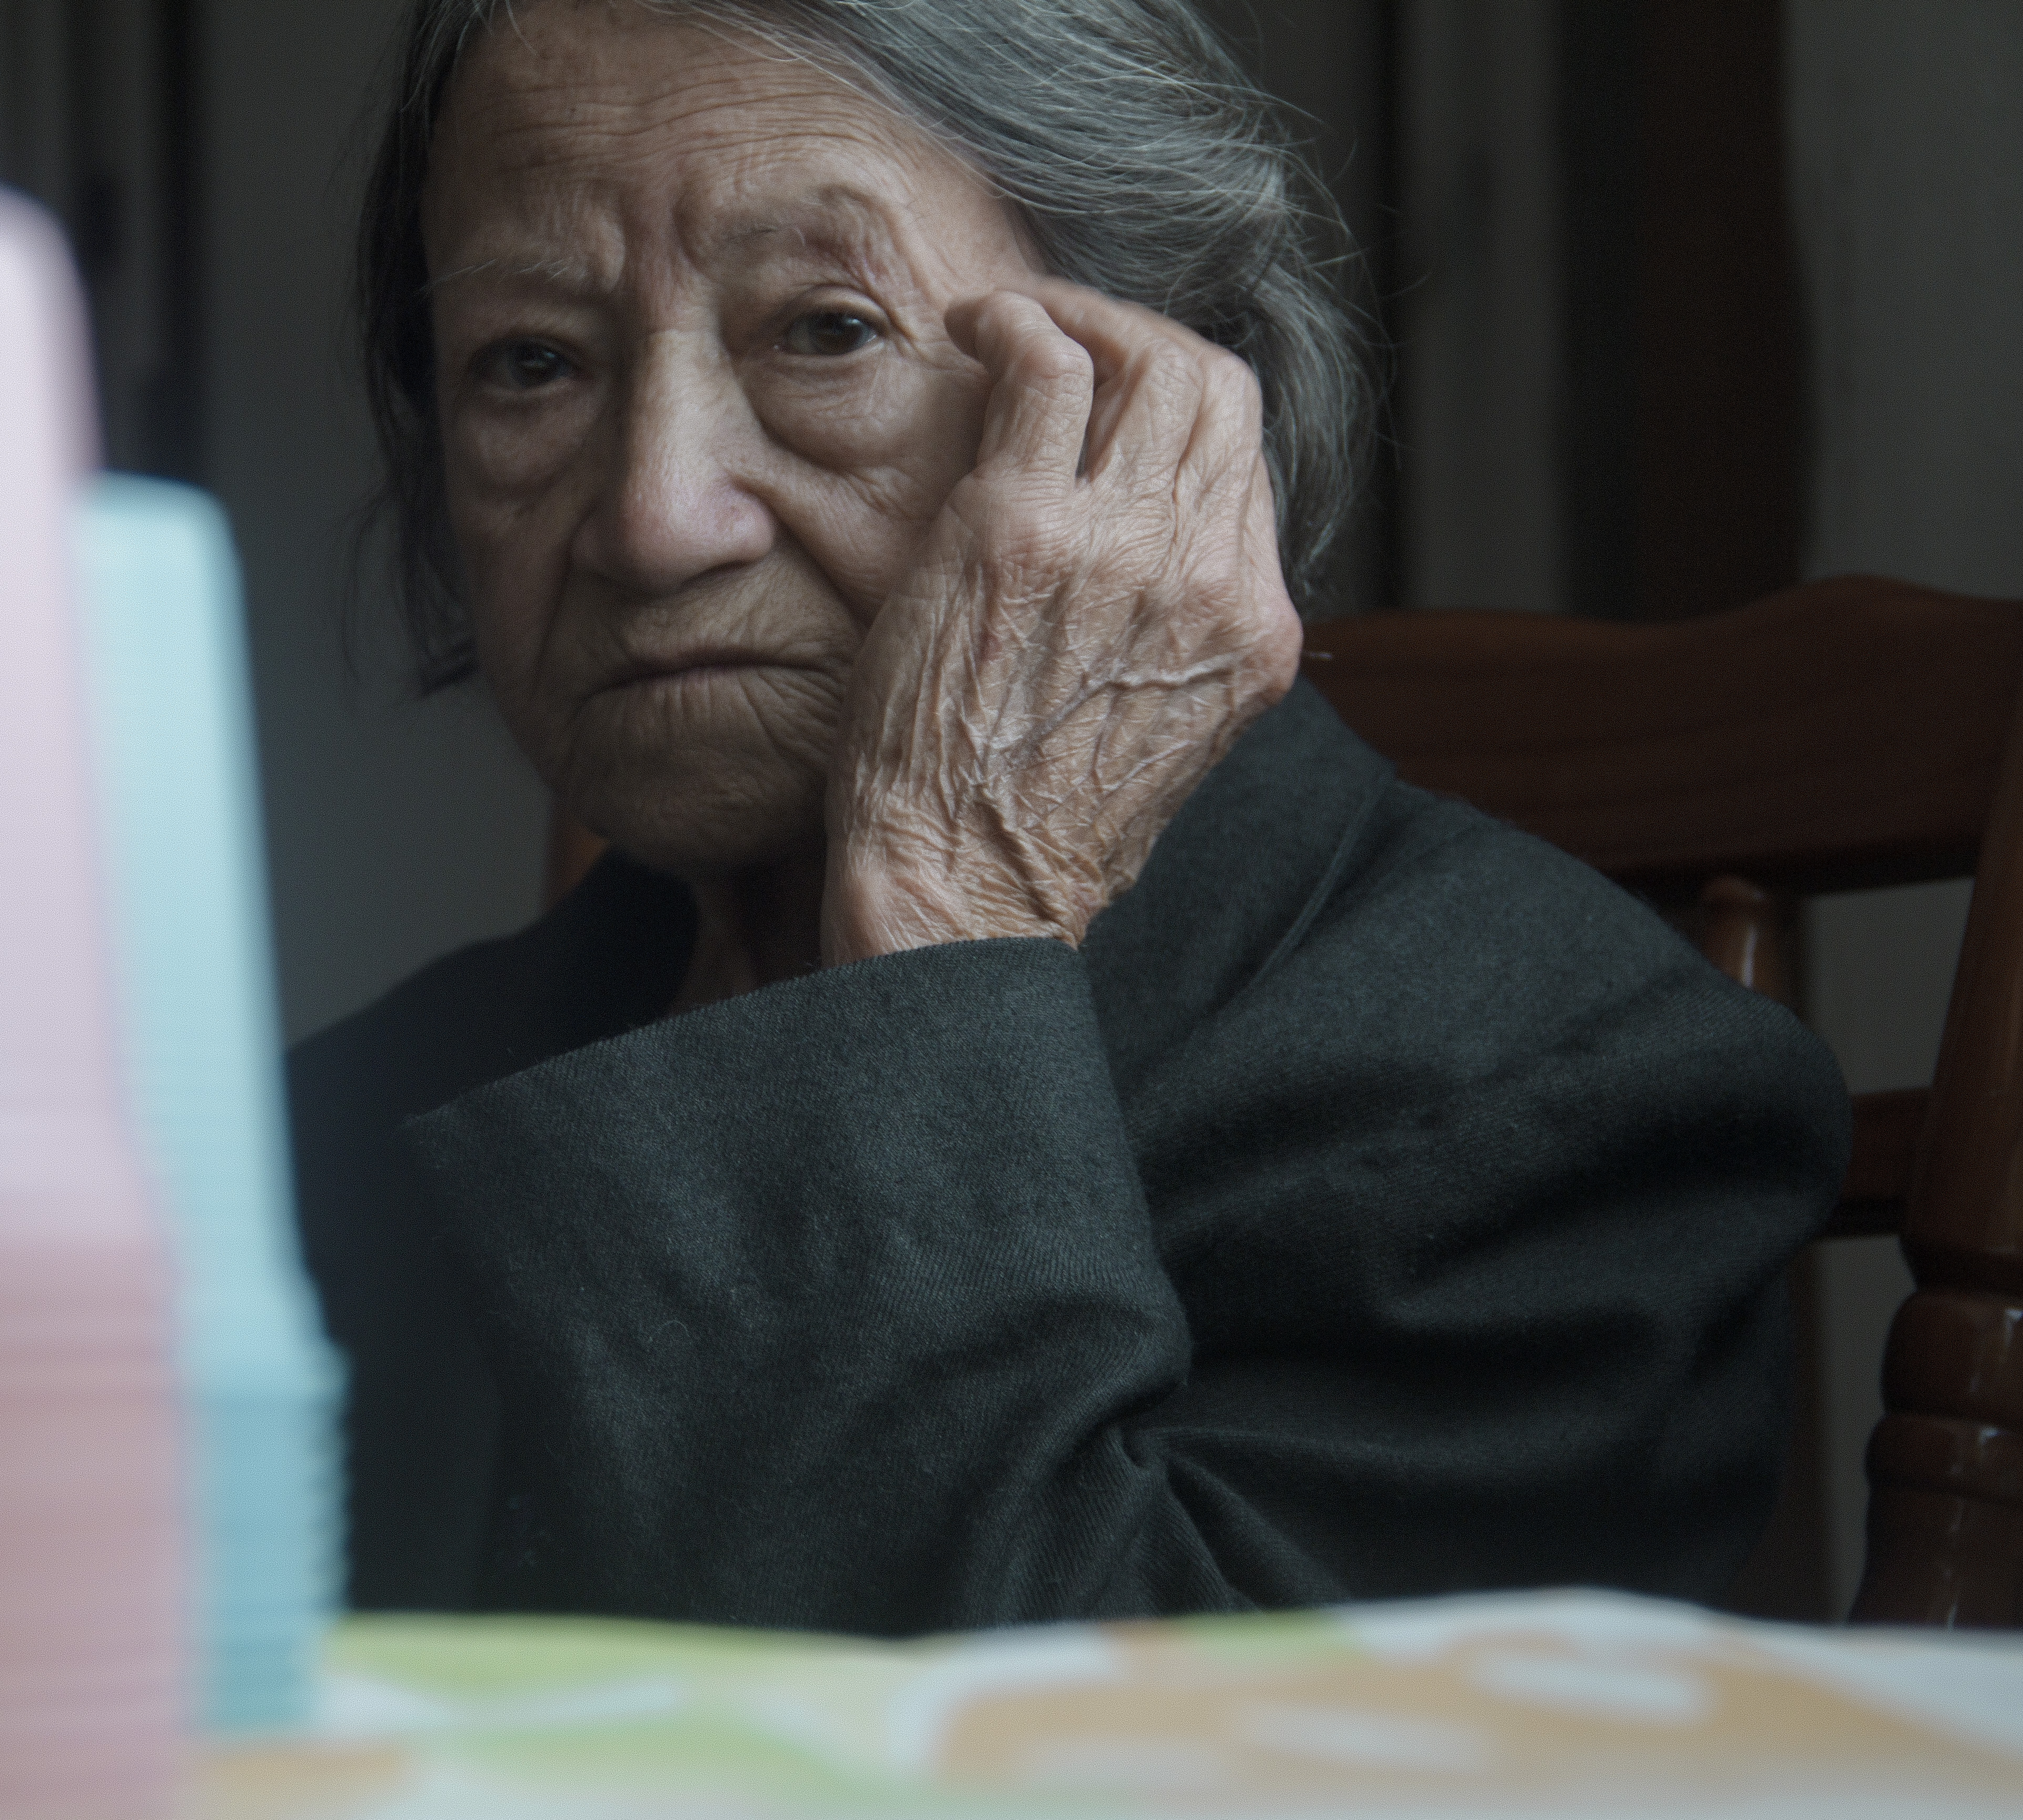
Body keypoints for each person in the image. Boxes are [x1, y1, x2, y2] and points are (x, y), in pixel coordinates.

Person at [288, 0, 1849, 1635]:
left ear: (1155, 408)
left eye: (826, 331)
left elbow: (1070, 1772)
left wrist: (940, 921)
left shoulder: (1574, 1118)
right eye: (530, 362)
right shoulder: (327, 1131)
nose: (656, 517)